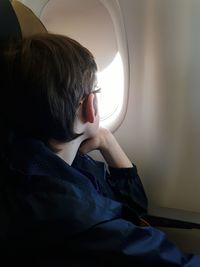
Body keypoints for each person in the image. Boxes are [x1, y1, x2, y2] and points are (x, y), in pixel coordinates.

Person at [0, 33, 199, 266]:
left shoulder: (44, 160)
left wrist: (107, 141)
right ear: (90, 107)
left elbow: (132, 209)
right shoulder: (79, 216)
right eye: (97, 92)